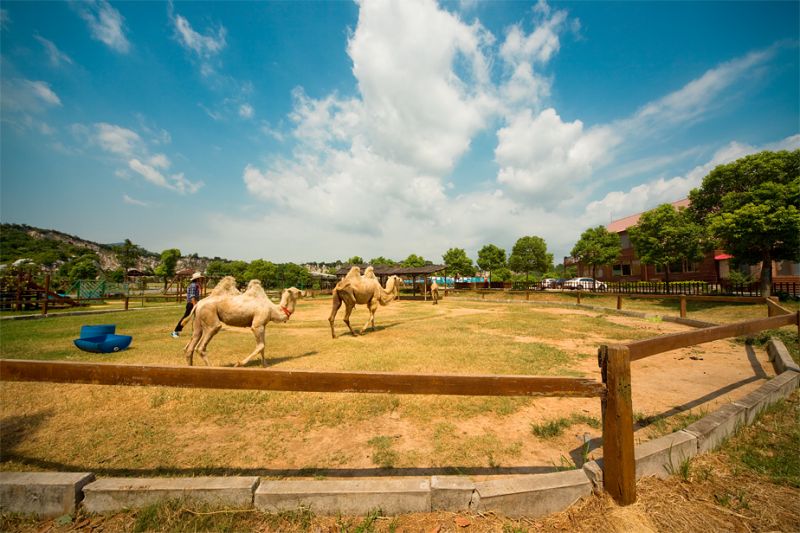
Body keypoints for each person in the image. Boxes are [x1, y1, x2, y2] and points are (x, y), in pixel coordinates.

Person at [171, 272, 203, 338]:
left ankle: (198, 330)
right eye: (200, 278)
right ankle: (175, 332)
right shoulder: (193, 285)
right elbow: (192, 296)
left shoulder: (195, 285)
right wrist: (195, 306)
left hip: (194, 303)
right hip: (191, 304)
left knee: (198, 317)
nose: (201, 279)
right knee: (186, 317)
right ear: (197, 279)